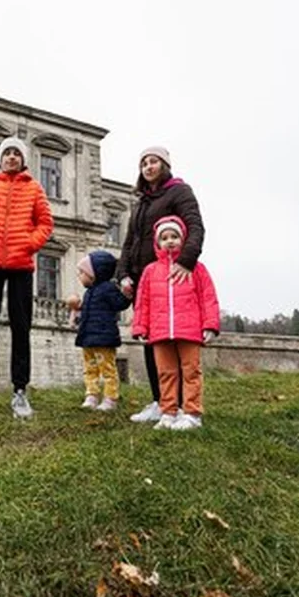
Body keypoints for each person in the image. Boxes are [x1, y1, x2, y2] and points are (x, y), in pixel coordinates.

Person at [115, 145, 206, 423]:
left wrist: (186, 261)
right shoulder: (141, 201)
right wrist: (123, 274)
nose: (148, 166)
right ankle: (161, 401)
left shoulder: (180, 192)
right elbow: (130, 241)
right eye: (143, 163)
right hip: (147, 279)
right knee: (152, 342)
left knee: (178, 343)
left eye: (153, 161)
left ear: (164, 165)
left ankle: (183, 406)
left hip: (175, 275)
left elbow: (195, 226)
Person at [0, 136, 55, 419]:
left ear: (24, 159)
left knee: (21, 327)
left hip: (21, 266)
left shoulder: (34, 188)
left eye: (17, 153)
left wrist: (28, 244)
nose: (12, 157)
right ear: (0, 159)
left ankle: (20, 391)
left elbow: (45, 223)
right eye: (8, 153)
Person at [130, 216, 220, 430]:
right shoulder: (151, 271)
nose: (170, 241)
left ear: (183, 239)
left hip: (189, 330)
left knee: (191, 372)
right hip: (160, 332)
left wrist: (210, 325)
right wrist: (140, 327)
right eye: (164, 237)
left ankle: (192, 413)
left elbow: (208, 297)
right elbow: (143, 301)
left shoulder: (197, 269)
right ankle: (169, 411)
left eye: (174, 236)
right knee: (166, 373)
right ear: (157, 242)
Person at [71, 250, 132, 411]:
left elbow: (120, 304)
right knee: (90, 368)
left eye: (82, 272)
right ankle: (91, 395)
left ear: (94, 274)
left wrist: (126, 295)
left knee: (107, 369)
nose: (80, 276)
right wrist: (77, 314)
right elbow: (87, 313)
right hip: (88, 337)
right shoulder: (89, 292)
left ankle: (110, 397)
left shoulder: (108, 288)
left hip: (104, 337)